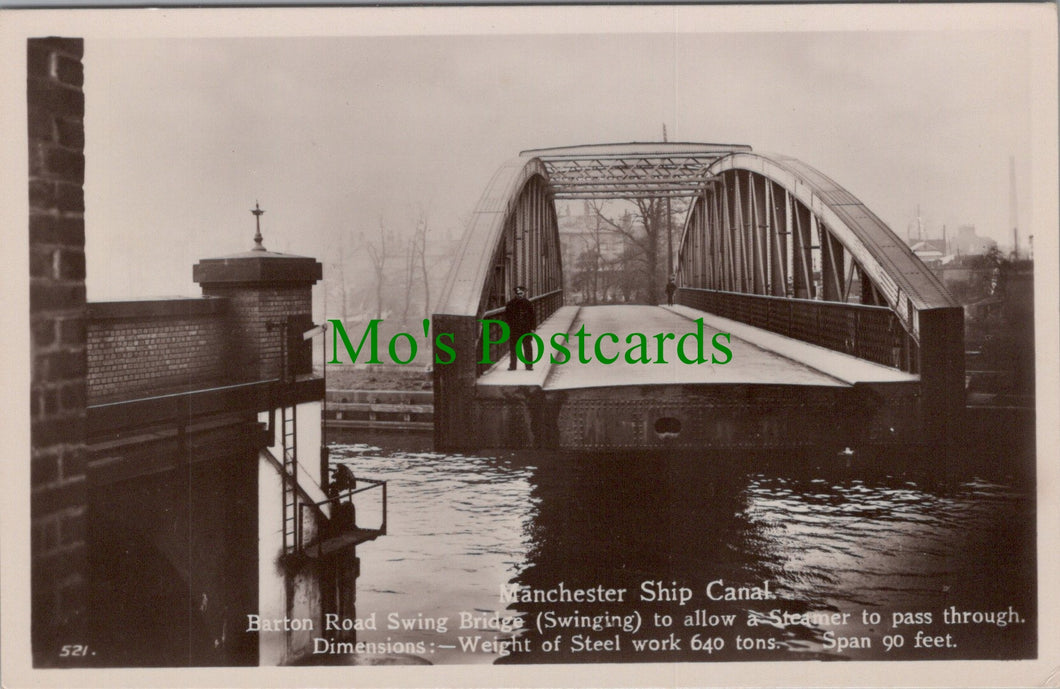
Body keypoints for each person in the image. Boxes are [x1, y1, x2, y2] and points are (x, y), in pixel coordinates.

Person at [504, 285, 536, 370]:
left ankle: (529, 366)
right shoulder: (510, 304)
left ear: (524, 293)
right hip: (514, 330)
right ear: (515, 294)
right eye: (518, 293)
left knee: (527, 348)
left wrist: (533, 328)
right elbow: (507, 317)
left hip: (526, 329)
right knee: (513, 349)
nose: (520, 295)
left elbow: (533, 317)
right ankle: (513, 366)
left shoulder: (528, 304)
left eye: (521, 293)